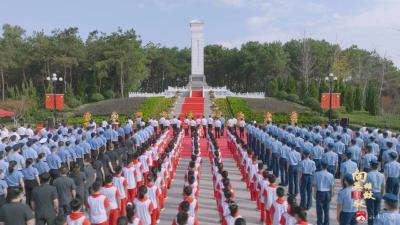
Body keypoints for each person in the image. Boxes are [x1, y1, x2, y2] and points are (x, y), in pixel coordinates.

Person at [313, 160, 334, 225]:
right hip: (327, 193)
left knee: (319, 211)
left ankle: (320, 223)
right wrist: (332, 194)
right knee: (326, 210)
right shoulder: (331, 175)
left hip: (320, 193)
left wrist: (314, 193)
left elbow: (315, 185)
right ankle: (326, 223)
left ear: (321, 166)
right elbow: (332, 186)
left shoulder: (317, 174)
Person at [365, 159, 384, 225]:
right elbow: (383, 186)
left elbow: (366, 187)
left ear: (371, 166)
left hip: (371, 193)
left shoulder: (368, 174)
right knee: (377, 211)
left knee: (370, 212)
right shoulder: (381, 175)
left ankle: (370, 224)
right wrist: (381, 195)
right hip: (378, 193)